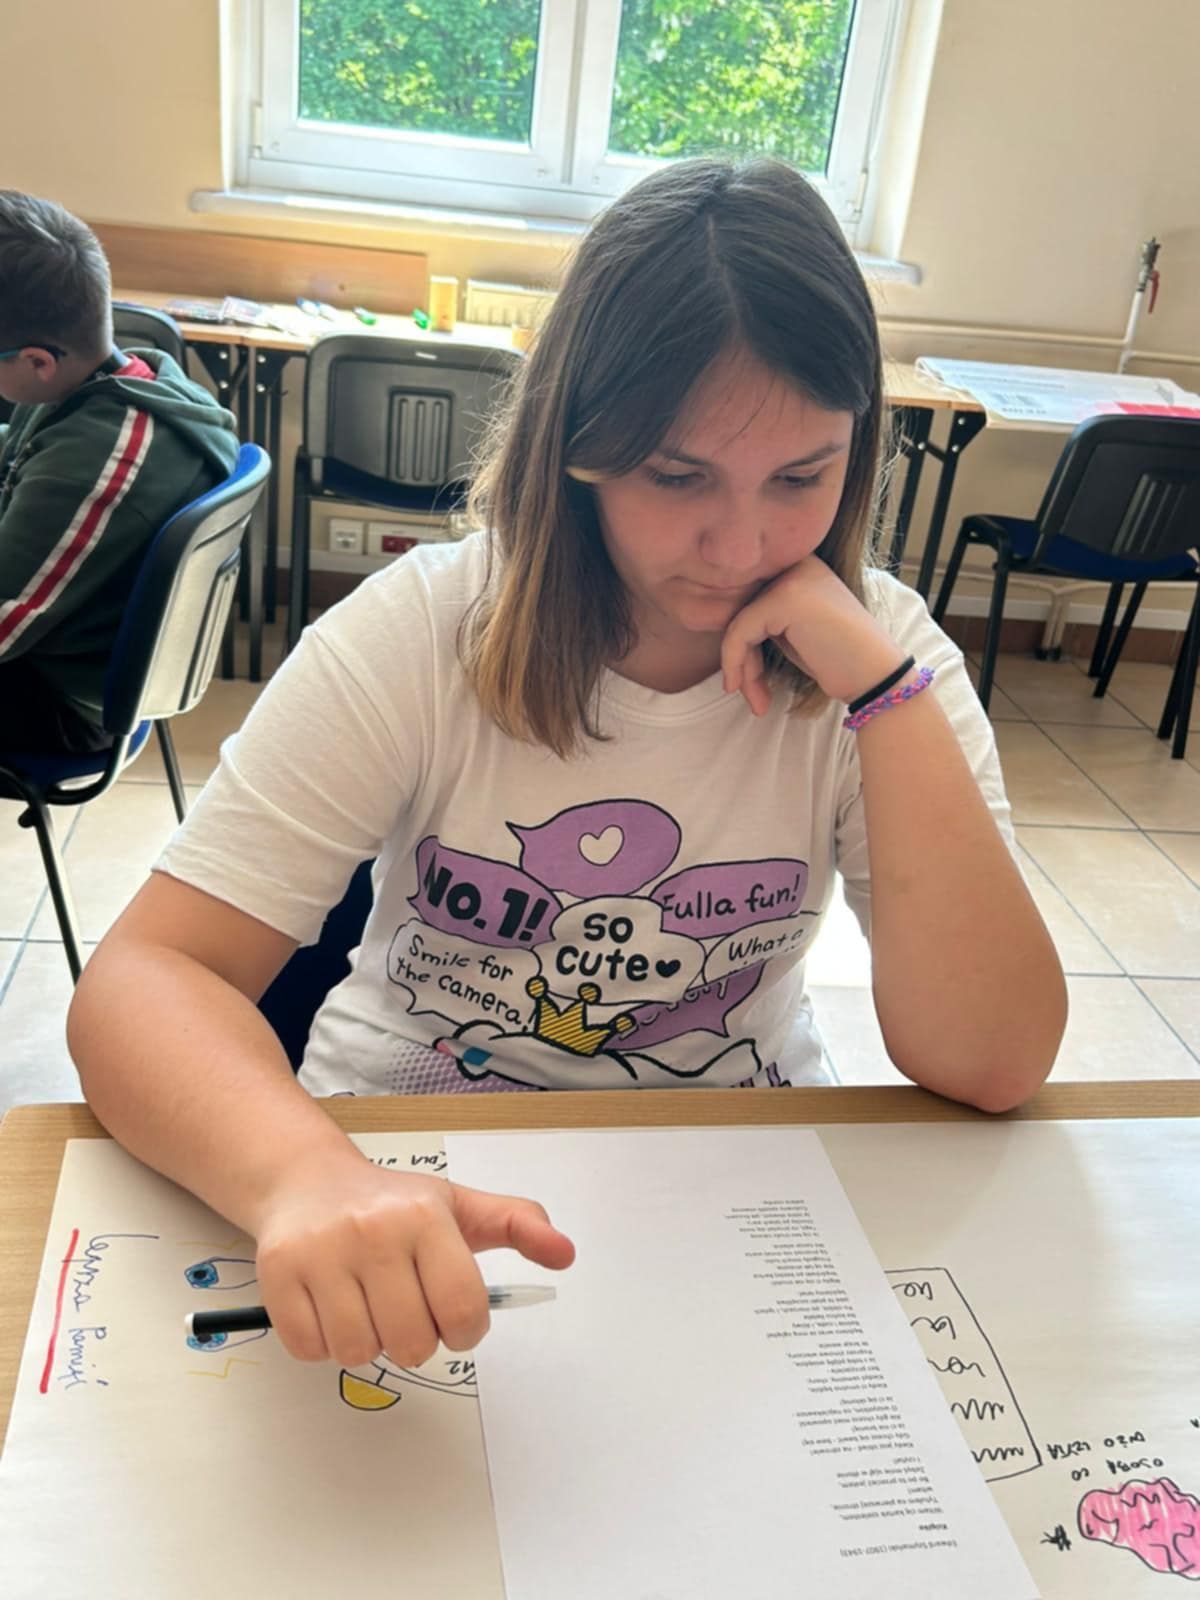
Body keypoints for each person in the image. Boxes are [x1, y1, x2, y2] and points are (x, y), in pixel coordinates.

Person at [69, 159, 1067, 1372]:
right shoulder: (421, 630)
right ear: (575, 447)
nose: (741, 545)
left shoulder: (888, 658)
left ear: (855, 456)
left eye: (801, 477)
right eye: (677, 476)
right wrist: (302, 1176)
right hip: (401, 1162)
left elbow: (994, 1060)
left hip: (733, 1185)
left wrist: (885, 695)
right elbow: (145, 979)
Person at [0, 191, 239, 753]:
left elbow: (5, 625)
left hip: (62, 703)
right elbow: (18, 453)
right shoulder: (110, 382)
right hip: (47, 640)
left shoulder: (96, 463)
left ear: (37, 361)